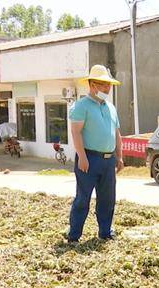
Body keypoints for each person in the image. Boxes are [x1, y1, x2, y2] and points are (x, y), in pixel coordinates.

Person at [67, 64, 124, 244]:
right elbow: (76, 132)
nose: (106, 88)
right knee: (83, 198)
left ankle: (105, 231)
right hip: (89, 158)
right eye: (102, 84)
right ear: (91, 85)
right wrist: (82, 157)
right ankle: (74, 235)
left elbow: (116, 133)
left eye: (108, 85)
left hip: (108, 160)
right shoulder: (81, 106)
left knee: (107, 198)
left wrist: (119, 156)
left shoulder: (111, 107)